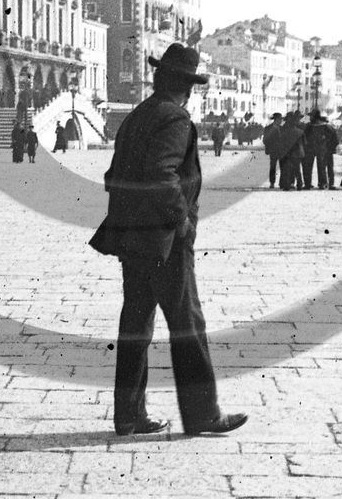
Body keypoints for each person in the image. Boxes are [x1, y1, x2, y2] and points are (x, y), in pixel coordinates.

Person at [89, 43, 247, 438]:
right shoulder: (175, 119)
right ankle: (202, 414)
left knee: (136, 325)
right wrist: (182, 222)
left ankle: (128, 416)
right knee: (187, 324)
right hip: (165, 241)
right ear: (188, 88)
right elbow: (163, 175)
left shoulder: (138, 116)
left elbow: (114, 176)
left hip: (133, 240)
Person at [278, 112, 306, 191]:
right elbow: (304, 142)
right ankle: (299, 184)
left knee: (287, 169)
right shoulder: (300, 131)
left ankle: (287, 185)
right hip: (298, 153)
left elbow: (281, 142)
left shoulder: (284, 132)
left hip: (288, 153)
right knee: (297, 170)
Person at [262, 114, 284, 189]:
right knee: (273, 167)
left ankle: (282, 182)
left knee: (282, 167)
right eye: (280, 119)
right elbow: (265, 140)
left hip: (281, 150)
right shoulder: (268, 128)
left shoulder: (282, 128)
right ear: (276, 119)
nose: (281, 121)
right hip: (273, 150)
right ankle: (272, 182)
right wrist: (271, 145)